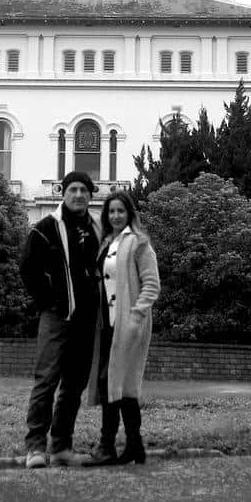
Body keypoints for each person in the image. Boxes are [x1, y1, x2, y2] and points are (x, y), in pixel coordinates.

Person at [19, 171, 103, 469]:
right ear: (62, 192)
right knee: (46, 379)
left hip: (86, 318)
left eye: (84, 190)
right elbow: (28, 268)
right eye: (73, 189)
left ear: (90, 195)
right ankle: (35, 448)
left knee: (74, 384)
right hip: (56, 316)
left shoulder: (96, 228)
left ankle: (61, 448)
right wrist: (48, 301)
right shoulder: (45, 228)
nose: (79, 195)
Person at [88, 191, 160, 465]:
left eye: (120, 211)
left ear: (130, 213)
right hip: (107, 324)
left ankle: (108, 446)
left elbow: (152, 285)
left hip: (129, 324)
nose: (115, 216)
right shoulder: (107, 242)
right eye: (111, 212)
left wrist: (135, 317)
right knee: (119, 385)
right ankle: (134, 447)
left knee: (116, 383)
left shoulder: (139, 243)